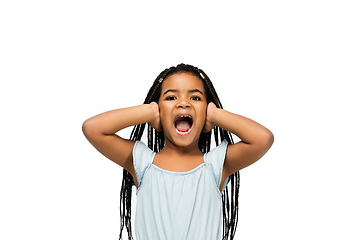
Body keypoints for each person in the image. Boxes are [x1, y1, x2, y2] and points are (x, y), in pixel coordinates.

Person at [82, 63, 274, 240]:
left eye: (195, 97)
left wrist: (216, 115)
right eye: (171, 97)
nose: (183, 103)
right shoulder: (141, 163)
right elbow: (93, 128)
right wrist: (148, 112)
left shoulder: (216, 165)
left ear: (206, 111)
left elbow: (262, 139)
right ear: (159, 111)